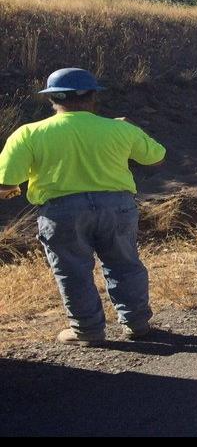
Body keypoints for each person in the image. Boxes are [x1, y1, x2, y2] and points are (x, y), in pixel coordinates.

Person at [0, 68, 167, 346]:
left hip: (61, 212)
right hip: (117, 207)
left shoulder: (28, 133)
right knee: (125, 265)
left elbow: (4, 184)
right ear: (93, 96)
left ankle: (87, 330)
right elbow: (156, 159)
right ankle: (136, 324)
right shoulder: (120, 129)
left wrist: (14, 189)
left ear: (51, 98)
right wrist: (129, 128)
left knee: (73, 270)